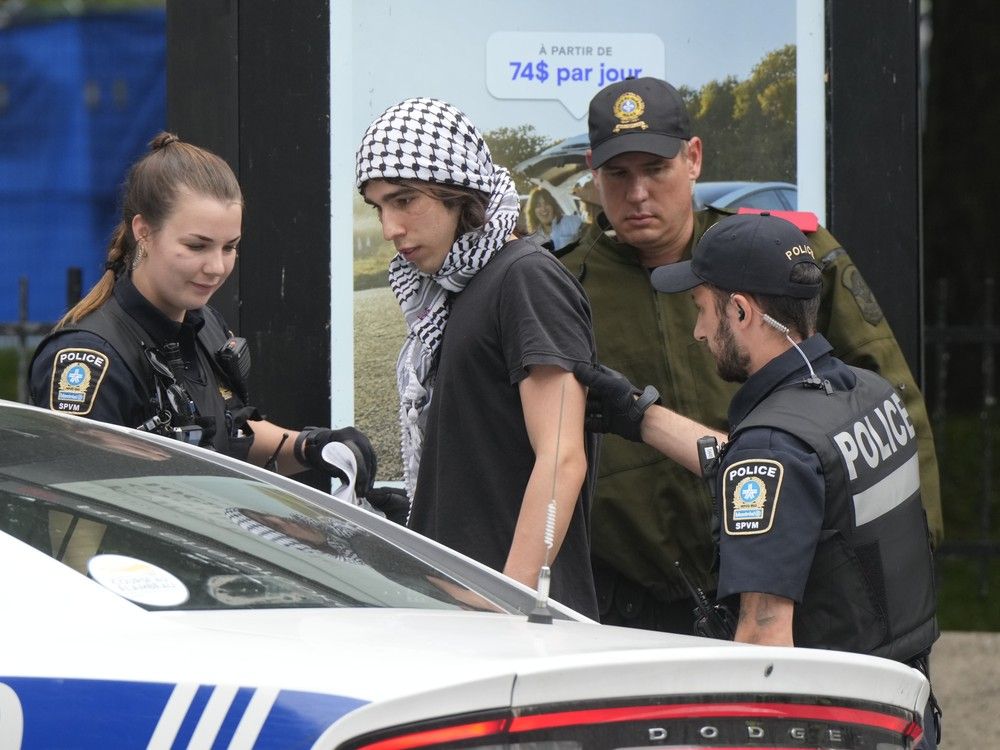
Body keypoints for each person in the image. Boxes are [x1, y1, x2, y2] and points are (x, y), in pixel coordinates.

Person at [557, 76, 942, 633]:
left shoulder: (776, 256)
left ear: (693, 158)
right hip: (637, 616)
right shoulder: (563, 287)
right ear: (594, 172)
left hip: (799, 594)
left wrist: (914, 560)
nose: (637, 193)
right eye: (618, 174)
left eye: (655, 169)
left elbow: (887, 404)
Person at [577, 212, 940, 747]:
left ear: (742, 311)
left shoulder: (774, 449)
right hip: (900, 710)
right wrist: (640, 416)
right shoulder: (867, 395)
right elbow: (786, 483)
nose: (699, 331)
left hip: (827, 726)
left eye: (701, 309)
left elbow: (764, 640)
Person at [28, 132, 406, 521]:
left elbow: (230, 437)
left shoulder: (204, 323)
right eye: (197, 246)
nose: (217, 267)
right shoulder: (91, 359)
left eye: (230, 247)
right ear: (143, 231)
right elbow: (73, 523)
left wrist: (314, 447)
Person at [355, 97, 599, 617]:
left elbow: (562, 458)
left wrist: (506, 611)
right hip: (455, 614)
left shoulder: (526, 277)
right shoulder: (451, 292)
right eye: (379, 207)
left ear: (459, 191)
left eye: (403, 200)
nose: (390, 228)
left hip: (512, 627)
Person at [525, 186, 583, 251]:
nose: (543, 209)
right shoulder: (532, 243)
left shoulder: (572, 222)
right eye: (538, 205)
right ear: (533, 211)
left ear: (553, 205)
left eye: (546, 203)